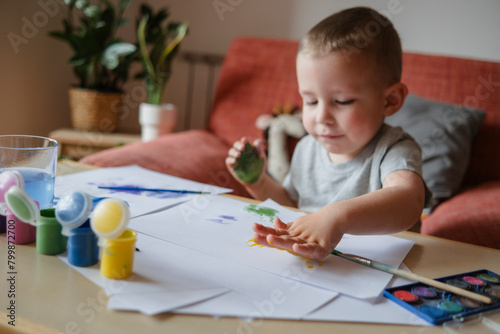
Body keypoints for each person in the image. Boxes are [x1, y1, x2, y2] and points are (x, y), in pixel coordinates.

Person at [225, 7, 431, 260]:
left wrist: (336, 216)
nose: (322, 117)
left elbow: (408, 202)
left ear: (389, 100)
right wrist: (258, 182)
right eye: (311, 102)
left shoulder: (395, 149)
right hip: (319, 267)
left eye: (342, 101)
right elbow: (291, 202)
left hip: (386, 272)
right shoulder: (307, 147)